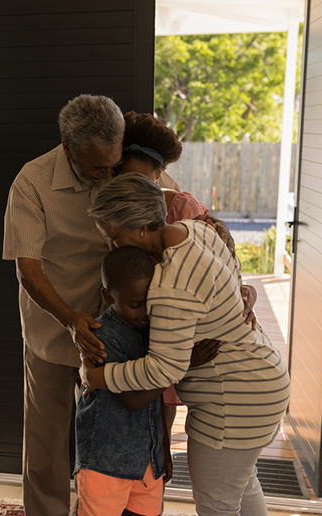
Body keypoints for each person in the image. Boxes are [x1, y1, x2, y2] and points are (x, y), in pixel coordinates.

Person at [83, 173, 291, 516]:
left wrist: (96, 377)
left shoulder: (171, 285)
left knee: (217, 506)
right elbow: (234, 275)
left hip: (233, 403)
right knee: (243, 485)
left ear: (141, 228)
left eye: (115, 237)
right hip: (264, 380)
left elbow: (164, 368)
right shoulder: (198, 231)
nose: (112, 246)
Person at [2, 94, 126, 516]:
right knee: (47, 449)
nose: (107, 175)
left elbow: (175, 202)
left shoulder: (121, 166)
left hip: (114, 332)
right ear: (68, 148)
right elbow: (28, 268)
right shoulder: (32, 181)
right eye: (97, 168)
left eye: (112, 165)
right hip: (54, 330)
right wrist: (71, 321)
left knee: (111, 444)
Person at [113, 111, 259, 438]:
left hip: (176, 334)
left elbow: (222, 265)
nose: (134, 190)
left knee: (165, 414)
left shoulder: (181, 209)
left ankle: (163, 461)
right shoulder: (112, 213)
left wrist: (244, 292)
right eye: (124, 180)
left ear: (159, 175)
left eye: (144, 182)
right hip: (133, 327)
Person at [74, 246, 168, 516]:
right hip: (105, 464)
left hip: (147, 462)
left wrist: (161, 451)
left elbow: (155, 404)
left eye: (150, 301)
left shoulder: (156, 328)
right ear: (108, 296)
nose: (145, 311)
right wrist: (179, 366)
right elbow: (132, 400)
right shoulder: (101, 338)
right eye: (135, 304)